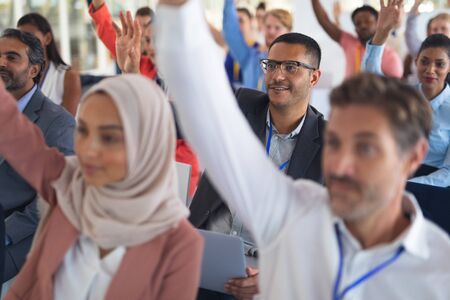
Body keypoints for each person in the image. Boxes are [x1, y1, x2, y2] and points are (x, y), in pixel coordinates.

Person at [156, 0, 450, 299]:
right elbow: (209, 120)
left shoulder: (439, 273)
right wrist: (179, 11)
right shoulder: (302, 210)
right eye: (334, 143)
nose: (341, 163)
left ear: (413, 156)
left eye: (366, 149)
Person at [0, 72, 203, 300]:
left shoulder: (179, 245)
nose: (88, 150)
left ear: (146, 143)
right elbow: (20, 140)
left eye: (108, 138)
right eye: (83, 131)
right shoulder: (72, 187)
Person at [191, 32, 325, 300]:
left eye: (291, 67)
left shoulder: (329, 144)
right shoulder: (241, 106)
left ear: (313, 77)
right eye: (272, 65)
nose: (277, 76)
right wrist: (132, 72)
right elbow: (182, 112)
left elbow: (326, 237)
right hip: (205, 250)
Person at [0, 28, 75, 282]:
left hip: (18, 236)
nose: (1, 63)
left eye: (11, 57)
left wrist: (6, 234)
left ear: (33, 70)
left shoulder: (58, 123)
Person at [362, 0, 450, 188]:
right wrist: (381, 32)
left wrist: (407, 184)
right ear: (416, 61)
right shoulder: (405, 97)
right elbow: (372, 78)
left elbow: (448, 173)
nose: (430, 70)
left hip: (434, 187)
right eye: (424, 62)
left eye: (440, 64)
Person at [311, 0, 403, 78]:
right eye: (358, 23)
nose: (363, 25)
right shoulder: (349, 42)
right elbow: (324, 21)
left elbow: (393, 92)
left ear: (378, 23)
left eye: (368, 21)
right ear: (355, 28)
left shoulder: (391, 57)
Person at [17, 13, 81, 116]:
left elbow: (67, 125)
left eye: (31, 37)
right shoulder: (16, 74)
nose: (26, 44)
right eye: (21, 39)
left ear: (47, 38)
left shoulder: (68, 77)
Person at [223, 0, 292, 90]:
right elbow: (231, 34)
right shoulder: (251, 57)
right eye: (268, 26)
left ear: (288, 31)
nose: (271, 31)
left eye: (277, 28)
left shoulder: (293, 64)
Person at [89, 0, 157, 80]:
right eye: (137, 26)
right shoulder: (125, 47)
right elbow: (103, 21)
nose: (141, 32)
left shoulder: (163, 58)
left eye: (146, 25)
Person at [224, 7, 259, 90]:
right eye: (234, 22)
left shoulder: (258, 51)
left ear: (251, 22)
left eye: (241, 21)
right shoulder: (229, 50)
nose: (237, 26)